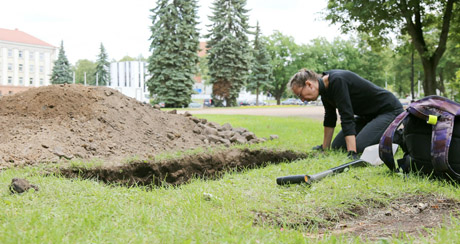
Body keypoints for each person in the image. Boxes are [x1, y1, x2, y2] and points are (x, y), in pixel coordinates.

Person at [288, 69, 404, 158]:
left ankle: (398, 136)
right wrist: (325, 148)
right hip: (367, 116)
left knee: (359, 147)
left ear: (309, 84)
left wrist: (352, 152)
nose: (302, 99)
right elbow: (330, 118)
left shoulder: (337, 81)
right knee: (337, 146)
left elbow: (347, 117)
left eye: (300, 94)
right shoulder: (324, 90)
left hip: (389, 110)